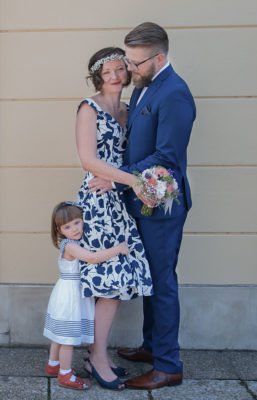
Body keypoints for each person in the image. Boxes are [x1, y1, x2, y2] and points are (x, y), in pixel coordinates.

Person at [88, 22, 196, 390]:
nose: (128, 69)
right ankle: (152, 347)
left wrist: (116, 175)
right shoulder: (145, 87)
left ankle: (168, 365)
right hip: (139, 201)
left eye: (135, 63)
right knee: (151, 277)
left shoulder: (175, 94)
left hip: (162, 206)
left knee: (163, 282)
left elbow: (166, 157)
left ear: (159, 57)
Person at [75, 47, 153, 390]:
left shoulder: (129, 107)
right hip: (98, 200)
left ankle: (96, 355)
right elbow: (88, 161)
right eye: (108, 72)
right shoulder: (87, 108)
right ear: (98, 76)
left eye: (121, 69)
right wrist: (134, 181)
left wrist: (123, 180)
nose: (116, 76)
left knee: (118, 280)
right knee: (108, 280)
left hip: (119, 198)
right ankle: (98, 357)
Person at [43, 201, 129, 390]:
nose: (74, 228)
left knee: (59, 334)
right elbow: (92, 257)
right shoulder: (71, 246)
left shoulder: (72, 243)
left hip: (65, 292)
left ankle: (53, 365)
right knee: (67, 339)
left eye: (77, 222)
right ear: (59, 230)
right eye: (67, 226)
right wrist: (118, 249)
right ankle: (65, 374)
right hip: (70, 295)